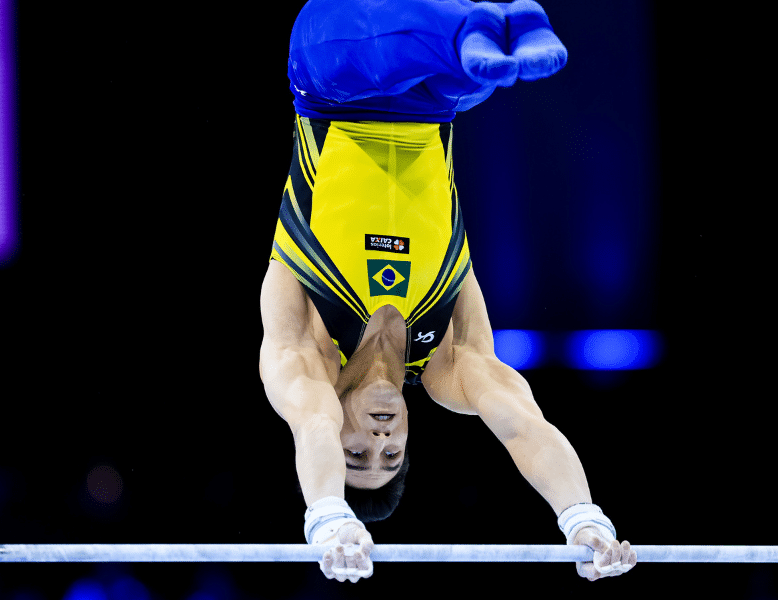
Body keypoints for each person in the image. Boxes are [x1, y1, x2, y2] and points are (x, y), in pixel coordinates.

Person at [258, 0, 637, 583]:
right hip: (435, 108)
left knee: (406, 46)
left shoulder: (306, 352)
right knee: (472, 72)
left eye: (355, 453)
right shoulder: (447, 364)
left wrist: (329, 520)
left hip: (331, 83)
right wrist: (583, 520)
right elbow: (521, 425)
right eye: (392, 456)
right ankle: (504, 29)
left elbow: (309, 423)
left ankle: (481, 30)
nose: (380, 440)